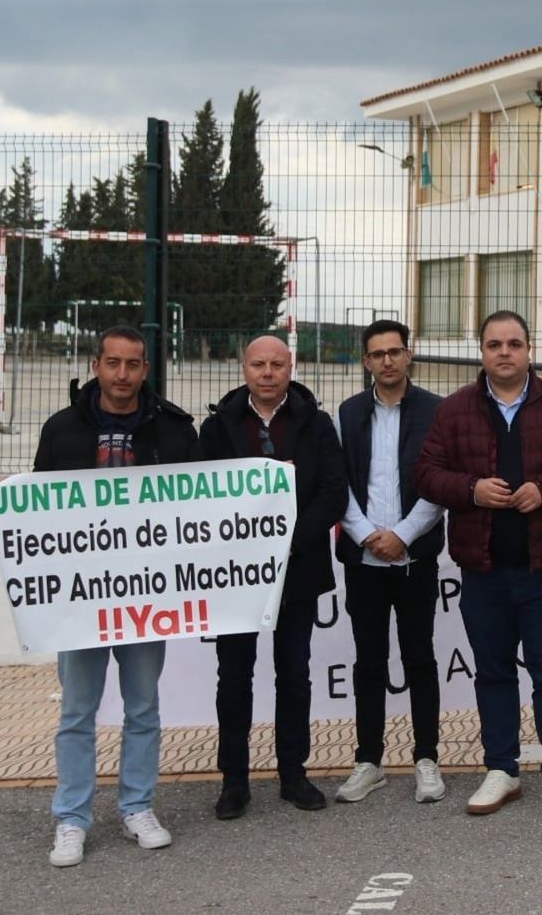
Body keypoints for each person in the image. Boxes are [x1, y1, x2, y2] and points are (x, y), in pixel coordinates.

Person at [414, 310, 542, 823]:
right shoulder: (454, 410)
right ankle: (501, 768)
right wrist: (470, 490)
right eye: (495, 344)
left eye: (514, 343)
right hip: (482, 568)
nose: (505, 352)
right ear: (482, 351)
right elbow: (426, 474)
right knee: (494, 673)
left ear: (529, 350)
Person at [35, 326, 201, 867]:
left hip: (147, 594)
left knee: (143, 706)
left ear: (145, 369)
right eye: (113, 363)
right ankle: (72, 818)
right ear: (96, 365)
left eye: (133, 364)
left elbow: (201, 512)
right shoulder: (61, 430)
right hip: (80, 599)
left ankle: (136, 806)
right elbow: (37, 513)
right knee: (77, 711)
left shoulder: (175, 430)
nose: (122, 375)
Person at [201, 335, 347, 819]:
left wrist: (291, 543)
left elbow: (332, 492)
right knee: (234, 678)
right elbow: (202, 499)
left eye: (277, 364)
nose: (267, 373)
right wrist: (246, 546)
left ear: (291, 367)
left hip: (298, 570)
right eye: (258, 364)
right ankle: (234, 781)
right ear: (243, 368)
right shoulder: (217, 427)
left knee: (295, 674)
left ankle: (293, 774)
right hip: (236, 575)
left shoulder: (317, 424)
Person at [334, 320, 447, 805]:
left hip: (414, 557)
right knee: (369, 663)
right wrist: (366, 536)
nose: (386, 361)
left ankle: (426, 758)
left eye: (395, 352)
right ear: (366, 361)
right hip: (363, 561)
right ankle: (369, 761)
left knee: (420, 658)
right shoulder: (348, 412)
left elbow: (440, 484)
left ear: (408, 356)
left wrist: (401, 535)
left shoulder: (435, 412)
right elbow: (338, 484)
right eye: (377, 353)